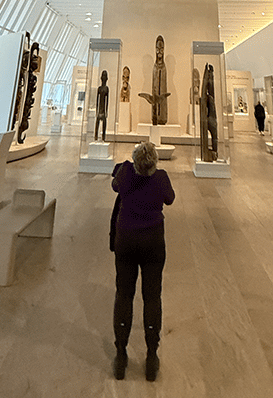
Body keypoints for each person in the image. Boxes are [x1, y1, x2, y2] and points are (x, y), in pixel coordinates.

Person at [111, 142, 175, 381]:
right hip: (153, 242)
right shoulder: (160, 178)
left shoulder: (126, 174)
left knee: (124, 294)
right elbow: (170, 198)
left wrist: (126, 166)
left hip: (126, 240)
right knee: (152, 296)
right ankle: (151, 354)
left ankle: (121, 353)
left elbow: (115, 182)